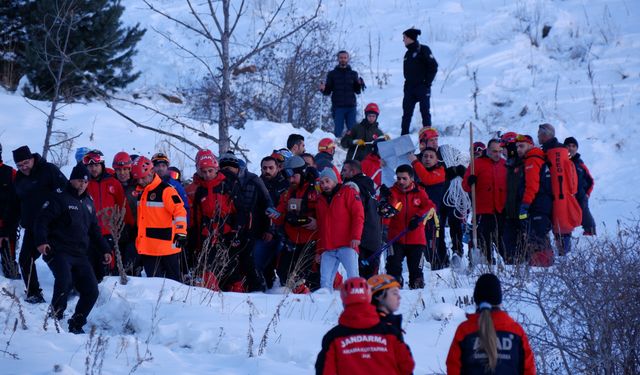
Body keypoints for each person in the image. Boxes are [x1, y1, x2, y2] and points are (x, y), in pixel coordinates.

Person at [33, 163, 113, 334]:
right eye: (79, 181)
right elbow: (42, 221)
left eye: (86, 182)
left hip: (80, 254)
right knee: (64, 281)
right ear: (71, 180)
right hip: (58, 250)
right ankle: (55, 319)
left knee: (92, 290)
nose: (83, 185)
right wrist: (41, 241)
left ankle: (76, 323)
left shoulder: (88, 202)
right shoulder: (59, 197)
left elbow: (94, 230)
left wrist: (105, 250)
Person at [315, 277, 415, 375]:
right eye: (394, 293)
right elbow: (407, 366)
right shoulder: (390, 332)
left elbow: (325, 371)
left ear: (343, 299)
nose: (399, 297)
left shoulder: (333, 337)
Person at [446, 273, 536, 375]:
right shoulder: (516, 332)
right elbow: (529, 370)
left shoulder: (464, 331)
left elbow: (453, 368)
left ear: (476, 300)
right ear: (499, 301)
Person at [12, 145, 68, 303]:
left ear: (32, 159)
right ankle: (33, 293)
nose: (23, 167)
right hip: (32, 227)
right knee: (25, 259)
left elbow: (66, 191)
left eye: (25, 163)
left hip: (54, 225)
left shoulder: (48, 169)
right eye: (19, 165)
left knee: (58, 260)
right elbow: (17, 202)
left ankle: (70, 288)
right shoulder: (19, 179)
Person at [218, 152, 274, 292]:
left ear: (237, 167)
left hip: (252, 227)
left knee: (250, 261)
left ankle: (256, 288)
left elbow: (268, 204)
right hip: (229, 228)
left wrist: (269, 229)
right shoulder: (221, 181)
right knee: (230, 259)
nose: (226, 171)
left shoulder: (253, 179)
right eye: (223, 168)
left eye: (229, 168)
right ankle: (235, 287)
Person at [131, 156, 187, 282]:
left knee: (174, 286)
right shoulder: (141, 192)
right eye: (138, 178)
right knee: (154, 288)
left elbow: (180, 211)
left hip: (167, 248)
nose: (141, 181)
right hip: (148, 249)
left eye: (143, 177)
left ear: (151, 172)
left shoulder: (166, 190)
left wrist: (181, 232)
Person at [185, 150, 235, 288]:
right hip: (206, 232)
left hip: (226, 231)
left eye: (210, 170)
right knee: (207, 263)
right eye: (203, 170)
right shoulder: (194, 188)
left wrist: (237, 230)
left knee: (230, 265)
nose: (207, 174)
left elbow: (239, 209)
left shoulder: (227, 184)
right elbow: (195, 215)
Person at [383, 164, 435, 289]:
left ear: (411, 178)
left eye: (404, 178)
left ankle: (416, 296)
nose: (400, 181)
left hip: (416, 238)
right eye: (398, 178)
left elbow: (430, 207)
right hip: (396, 238)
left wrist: (418, 217)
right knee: (393, 268)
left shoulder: (420, 192)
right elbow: (384, 210)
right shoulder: (391, 192)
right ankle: (395, 289)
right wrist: (384, 198)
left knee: (416, 273)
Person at [273, 155, 320, 291]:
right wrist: (274, 214)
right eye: (289, 177)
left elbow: (330, 213)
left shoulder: (317, 189)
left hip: (313, 240)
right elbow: (279, 216)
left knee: (312, 278)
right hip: (292, 240)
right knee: (283, 273)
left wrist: (318, 222)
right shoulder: (288, 193)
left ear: (303, 173)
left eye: (294, 176)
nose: (291, 180)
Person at [315, 168, 364, 291]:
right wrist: (319, 250)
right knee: (325, 281)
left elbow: (358, 215)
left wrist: (356, 237)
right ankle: (324, 306)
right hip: (328, 248)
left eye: (327, 181)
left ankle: (357, 303)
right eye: (322, 183)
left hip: (347, 245)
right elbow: (321, 227)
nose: (325, 185)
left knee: (353, 278)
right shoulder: (320, 200)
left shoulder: (347, 192)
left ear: (335, 181)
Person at [82, 149, 127, 280]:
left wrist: (127, 226)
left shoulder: (113, 183)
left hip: (109, 232)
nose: (94, 169)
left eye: (96, 165)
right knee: (89, 265)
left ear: (102, 165)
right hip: (88, 232)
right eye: (90, 166)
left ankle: (107, 294)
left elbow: (122, 205)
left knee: (108, 265)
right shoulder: (84, 183)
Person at [538, 124, 581, 255]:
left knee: (562, 229)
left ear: (545, 135)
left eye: (539, 133)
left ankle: (564, 258)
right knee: (560, 228)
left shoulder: (556, 151)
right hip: (556, 196)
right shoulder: (558, 150)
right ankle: (562, 257)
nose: (538, 136)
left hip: (559, 197)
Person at [463, 139, 507, 264]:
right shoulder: (476, 164)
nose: (497, 154)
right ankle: (487, 264)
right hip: (483, 211)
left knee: (501, 242)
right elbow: (465, 186)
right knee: (485, 241)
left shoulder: (505, 164)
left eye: (499, 151)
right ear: (487, 150)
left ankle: (507, 266)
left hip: (501, 211)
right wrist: (470, 181)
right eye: (494, 151)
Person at [516, 135, 554, 266]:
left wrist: (525, 204)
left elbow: (532, 185)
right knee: (541, 236)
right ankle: (545, 265)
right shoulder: (535, 158)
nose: (518, 149)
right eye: (517, 147)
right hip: (541, 205)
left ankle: (541, 267)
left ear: (531, 145)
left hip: (537, 205)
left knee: (537, 238)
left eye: (522, 146)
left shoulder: (532, 160)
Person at [342, 160, 382, 279]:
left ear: (353, 171)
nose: (342, 173)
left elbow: (355, 211)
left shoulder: (353, 187)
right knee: (372, 276)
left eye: (344, 170)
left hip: (361, 236)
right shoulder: (369, 185)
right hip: (374, 235)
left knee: (362, 277)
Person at [409, 147, 448, 270]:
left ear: (437, 160)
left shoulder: (440, 171)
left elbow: (428, 179)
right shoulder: (416, 172)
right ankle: (431, 264)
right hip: (419, 213)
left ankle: (439, 265)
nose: (428, 159)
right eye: (425, 156)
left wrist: (415, 162)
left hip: (434, 214)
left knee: (435, 240)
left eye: (431, 156)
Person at [257, 156, 289, 289]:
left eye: (271, 168)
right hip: (262, 230)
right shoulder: (257, 184)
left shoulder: (286, 185)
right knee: (258, 262)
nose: (267, 171)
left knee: (284, 265)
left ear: (278, 168)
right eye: (265, 168)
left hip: (283, 231)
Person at [401, 28, 438, 135]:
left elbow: (433, 66)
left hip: (422, 87)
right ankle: (403, 137)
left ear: (410, 38)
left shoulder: (424, 49)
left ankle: (428, 136)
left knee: (425, 113)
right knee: (406, 114)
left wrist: (427, 83)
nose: (403, 40)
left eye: (404, 38)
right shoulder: (407, 54)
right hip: (409, 88)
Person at [320, 50, 365, 138]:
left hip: (351, 107)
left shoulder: (353, 74)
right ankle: (337, 149)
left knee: (352, 131)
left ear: (348, 59)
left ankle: (352, 148)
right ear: (338, 59)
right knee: (338, 131)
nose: (343, 59)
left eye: (345, 58)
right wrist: (323, 89)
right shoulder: (332, 74)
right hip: (338, 107)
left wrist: (360, 84)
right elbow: (328, 91)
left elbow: (357, 91)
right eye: (341, 58)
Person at [111, 151, 141, 275]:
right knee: (115, 269)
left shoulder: (138, 184)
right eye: (118, 170)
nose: (122, 173)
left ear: (130, 168)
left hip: (135, 231)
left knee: (132, 268)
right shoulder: (110, 184)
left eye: (125, 169)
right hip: (115, 231)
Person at [564, 137, 596, 236]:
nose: (571, 148)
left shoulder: (580, 163)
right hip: (566, 196)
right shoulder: (561, 161)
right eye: (568, 146)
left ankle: (590, 233)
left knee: (585, 214)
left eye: (573, 146)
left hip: (580, 195)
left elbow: (590, 180)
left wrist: (587, 194)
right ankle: (566, 237)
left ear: (576, 149)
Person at [151, 152, 190, 224]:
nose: (161, 168)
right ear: (153, 167)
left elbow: (184, 208)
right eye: (158, 166)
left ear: (167, 167)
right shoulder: (147, 184)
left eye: (163, 166)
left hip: (171, 228)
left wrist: (183, 229)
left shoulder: (175, 186)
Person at [0, 143, 20, 279]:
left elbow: (18, 201)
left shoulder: (10, 172)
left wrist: (7, 228)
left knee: (10, 271)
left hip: (7, 225)